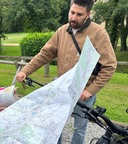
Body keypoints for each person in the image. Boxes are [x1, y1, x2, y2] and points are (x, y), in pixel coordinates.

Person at [16, 0, 117, 144]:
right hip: (61, 90)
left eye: (79, 14)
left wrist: (90, 91)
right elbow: (45, 54)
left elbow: (110, 66)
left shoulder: (99, 34)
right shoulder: (62, 31)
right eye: (72, 12)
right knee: (54, 125)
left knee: (79, 129)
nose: (74, 17)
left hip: (83, 94)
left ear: (88, 14)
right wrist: (25, 70)